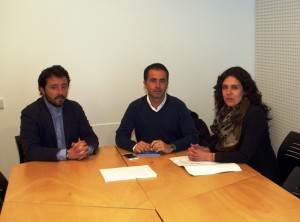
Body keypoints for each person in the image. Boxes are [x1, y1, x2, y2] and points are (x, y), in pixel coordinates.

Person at [188, 66, 280, 183]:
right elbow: (218, 141)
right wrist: (205, 149)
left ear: (245, 90)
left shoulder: (255, 113)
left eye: (234, 88)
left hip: (261, 176)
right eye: (225, 87)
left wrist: (207, 156)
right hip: (238, 171)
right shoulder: (227, 112)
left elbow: (244, 155)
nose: (228, 92)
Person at [20, 65, 99, 162]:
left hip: (72, 168)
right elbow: (32, 151)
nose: (60, 92)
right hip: (43, 168)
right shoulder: (30, 113)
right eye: (54, 87)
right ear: (42, 89)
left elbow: (91, 138)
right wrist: (67, 154)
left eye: (64, 86)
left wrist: (85, 150)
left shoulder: (75, 108)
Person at [116, 63, 198, 154]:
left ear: (167, 83)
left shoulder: (179, 106)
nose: (158, 85)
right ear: (145, 84)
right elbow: (120, 136)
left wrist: (170, 147)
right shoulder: (135, 107)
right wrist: (134, 146)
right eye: (153, 80)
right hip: (145, 160)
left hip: (173, 158)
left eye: (162, 81)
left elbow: (193, 137)